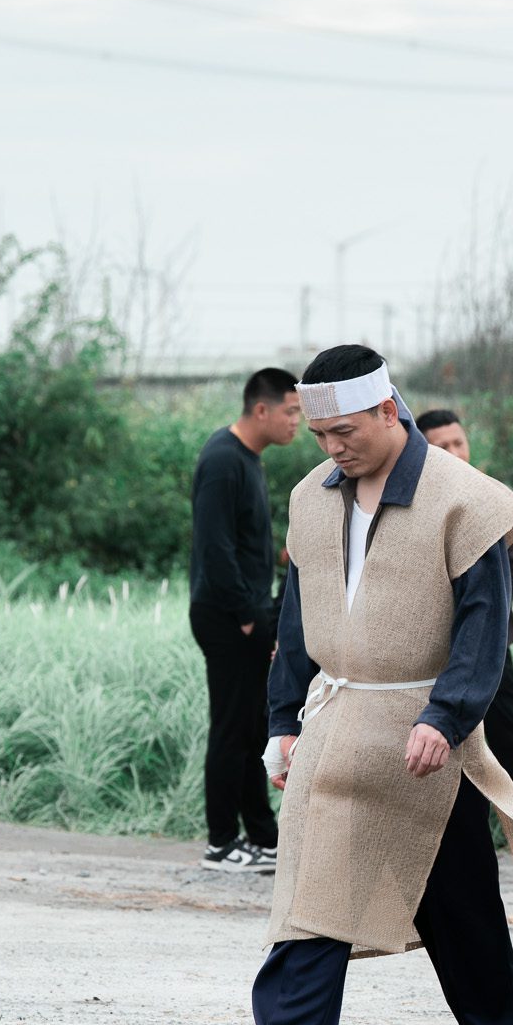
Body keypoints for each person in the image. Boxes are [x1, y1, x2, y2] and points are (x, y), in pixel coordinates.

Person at [217, 345, 513, 1025]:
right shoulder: (311, 497)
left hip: (427, 737)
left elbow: (485, 626)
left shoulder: (465, 499)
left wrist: (447, 716)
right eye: (320, 435)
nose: (332, 448)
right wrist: (282, 720)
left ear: (389, 408)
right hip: (335, 722)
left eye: (346, 431)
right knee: (309, 901)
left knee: (460, 909)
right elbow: (298, 618)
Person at [415, 407, 513, 858]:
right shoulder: (411, 499)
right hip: (426, 653)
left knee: (512, 740)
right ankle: (443, 840)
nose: (454, 452)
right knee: (433, 744)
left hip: (488, 648)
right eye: (441, 446)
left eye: (458, 442)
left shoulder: (491, 496)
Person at [190, 367, 302, 873]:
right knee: (232, 728)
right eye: (291, 411)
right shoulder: (222, 459)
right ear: (262, 409)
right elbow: (214, 548)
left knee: (255, 725)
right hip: (227, 617)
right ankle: (220, 843)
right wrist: (247, 617)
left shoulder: (248, 459)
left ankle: (261, 836)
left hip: (247, 615)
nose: (297, 422)